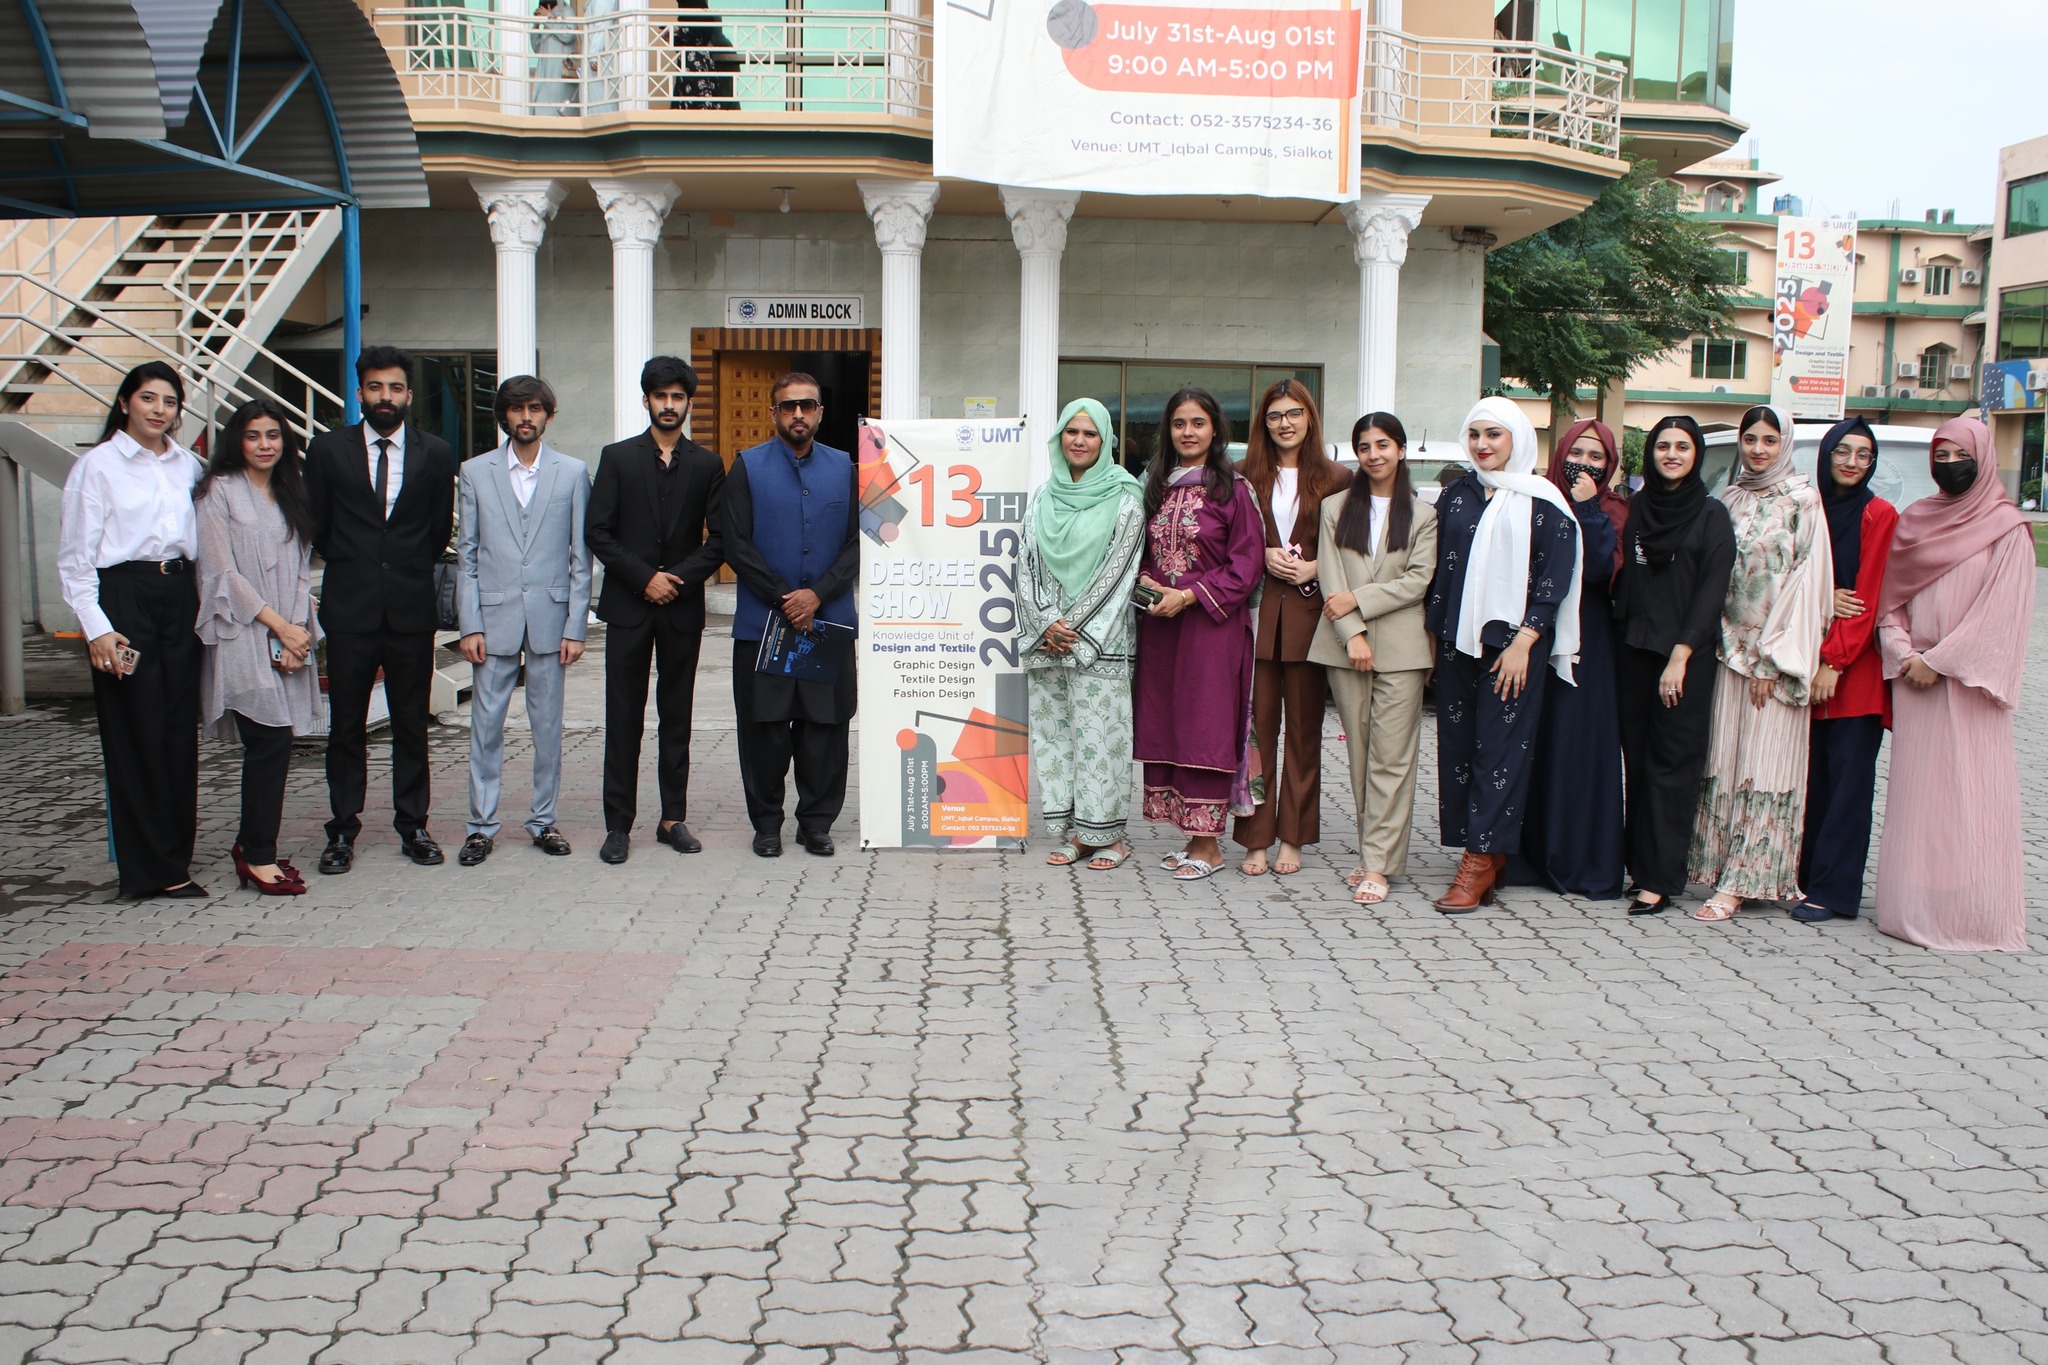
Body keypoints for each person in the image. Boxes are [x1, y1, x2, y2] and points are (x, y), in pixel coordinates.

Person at [1874, 419, 2034, 952]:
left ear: (1982, 459)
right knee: (1921, 798)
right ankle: (1914, 905)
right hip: (1914, 680)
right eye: (1940, 456)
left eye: (1960, 456)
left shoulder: (2007, 529)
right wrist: (1904, 654)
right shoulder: (1916, 521)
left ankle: (1973, 912)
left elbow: (2002, 613)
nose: (1949, 466)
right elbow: (1890, 601)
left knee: (1970, 794)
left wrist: (1940, 662)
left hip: (1968, 685)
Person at [1423, 397, 1583, 913]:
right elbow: (1438, 571)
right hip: (1457, 643)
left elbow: (1555, 577)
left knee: (1499, 752)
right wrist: (1433, 638)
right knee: (1460, 749)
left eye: (1494, 434)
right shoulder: (1457, 495)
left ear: (1517, 437)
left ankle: (1478, 863)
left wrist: (1525, 642)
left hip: (1513, 648)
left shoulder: (1544, 500)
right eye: (1474, 434)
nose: (1482, 444)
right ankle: (1485, 854)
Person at [58, 361, 208, 899]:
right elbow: (75, 560)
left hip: (180, 596)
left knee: (177, 731)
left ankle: (175, 859)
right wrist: (97, 629)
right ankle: (147, 872)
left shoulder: (189, 466)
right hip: (125, 601)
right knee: (134, 731)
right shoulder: (97, 467)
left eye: (169, 401)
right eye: (148, 398)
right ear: (125, 402)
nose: (158, 410)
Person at [305, 345, 457, 874]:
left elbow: (437, 530)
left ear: (409, 395)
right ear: (359, 393)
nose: (385, 396)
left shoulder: (435, 453)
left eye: (394, 388)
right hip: (350, 608)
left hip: (410, 610)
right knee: (346, 724)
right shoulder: (327, 451)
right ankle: (342, 830)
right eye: (375, 387)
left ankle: (413, 826)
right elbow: (320, 527)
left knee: (411, 724)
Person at [1688, 404, 1832, 922]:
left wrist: (1772, 662)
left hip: (1773, 662)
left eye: (1770, 440)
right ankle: (1717, 867)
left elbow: (1808, 585)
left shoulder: (1802, 501)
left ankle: (1747, 879)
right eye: (1750, 439)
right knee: (1724, 763)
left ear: (1785, 444)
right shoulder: (1730, 497)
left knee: (1763, 768)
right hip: (1724, 653)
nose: (1758, 449)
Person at [586, 357, 726, 863]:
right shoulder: (618, 458)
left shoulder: (708, 465)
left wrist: (676, 580)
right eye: (660, 396)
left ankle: (672, 818)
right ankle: (618, 825)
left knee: (676, 716)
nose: (669, 405)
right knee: (623, 716)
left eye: (677, 397)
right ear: (646, 400)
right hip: (629, 605)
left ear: (689, 403)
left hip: (680, 609)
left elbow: (721, 539)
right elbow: (597, 531)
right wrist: (644, 578)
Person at [455, 376, 593, 867]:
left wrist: (576, 626)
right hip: (493, 617)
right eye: (517, 409)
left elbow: (581, 557)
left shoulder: (572, 472)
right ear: (504, 416)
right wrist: (469, 624)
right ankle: (480, 826)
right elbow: (467, 555)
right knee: (485, 726)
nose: (526, 417)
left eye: (535, 408)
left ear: (548, 415)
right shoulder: (474, 472)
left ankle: (543, 820)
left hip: (551, 618)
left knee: (548, 726)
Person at [723, 372, 861, 857]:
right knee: (763, 729)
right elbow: (735, 543)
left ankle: (816, 823)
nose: (797, 414)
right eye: (787, 406)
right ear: (773, 413)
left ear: (821, 412)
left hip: (826, 623)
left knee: (825, 728)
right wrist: (786, 598)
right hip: (764, 626)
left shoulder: (846, 468)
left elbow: (859, 541)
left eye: (807, 405)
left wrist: (817, 595)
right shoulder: (746, 467)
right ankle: (766, 825)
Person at [1132, 387, 1265, 881]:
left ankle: (1209, 846)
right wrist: (1148, 581)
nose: (1188, 432)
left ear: (1215, 430)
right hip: (1163, 629)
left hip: (1212, 627)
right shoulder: (1157, 486)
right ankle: (1191, 837)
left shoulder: (1233, 489)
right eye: (1179, 423)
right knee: (1170, 724)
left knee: (1206, 726)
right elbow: (1144, 552)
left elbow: (1246, 565)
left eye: (1198, 423)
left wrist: (1188, 596)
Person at [194, 399, 325, 896]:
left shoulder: (291, 491)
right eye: (253, 436)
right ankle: (257, 856)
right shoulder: (218, 492)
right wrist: (277, 625)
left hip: (287, 632)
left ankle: (252, 846)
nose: (265, 445)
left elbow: (301, 569)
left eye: (273, 435)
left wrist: (296, 631)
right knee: (268, 741)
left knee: (278, 743)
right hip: (241, 630)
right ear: (237, 441)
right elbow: (220, 573)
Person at [1307, 412, 1437, 906]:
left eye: (1383, 444)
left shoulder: (1423, 515)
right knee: (1361, 755)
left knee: (1392, 759)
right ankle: (1372, 852)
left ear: (1401, 450)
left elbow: (1417, 582)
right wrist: (1353, 634)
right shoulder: (1336, 507)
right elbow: (1331, 577)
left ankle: (1379, 864)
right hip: (1345, 647)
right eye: (1364, 446)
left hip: (1402, 650)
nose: (1374, 454)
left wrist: (1359, 603)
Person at [1610, 416, 1735, 916]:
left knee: (1672, 767)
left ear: (1696, 454)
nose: (1672, 455)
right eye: (1663, 446)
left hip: (1684, 659)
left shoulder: (1712, 516)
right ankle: (1640, 868)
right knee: (1639, 764)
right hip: (1635, 650)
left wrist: (1681, 655)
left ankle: (1660, 879)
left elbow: (1711, 592)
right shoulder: (1639, 507)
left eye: (1683, 446)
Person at [1017, 398, 1146, 871]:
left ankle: (1110, 837)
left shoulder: (1125, 497)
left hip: (1100, 643)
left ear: (1105, 440)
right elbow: (1026, 562)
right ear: (1059, 437)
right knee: (1057, 737)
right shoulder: (1042, 497)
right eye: (1071, 431)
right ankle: (1076, 833)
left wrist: (1073, 629)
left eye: (1090, 433)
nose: (1079, 441)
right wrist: (1044, 621)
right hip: (1049, 640)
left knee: (1100, 739)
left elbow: (1121, 569)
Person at [1233, 381, 1351, 877]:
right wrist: (1261, 554)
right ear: (1264, 423)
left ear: (1310, 418)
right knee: (1257, 734)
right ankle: (1255, 837)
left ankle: (1294, 836)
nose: (1285, 423)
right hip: (1258, 619)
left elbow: (1354, 546)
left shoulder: (1338, 478)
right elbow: (1229, 540)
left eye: (1294, 413)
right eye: (1275, 415)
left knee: (1304, 733)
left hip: (1311, 620)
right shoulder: (1243, 475)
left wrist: (1317, 567)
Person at [1509, 418, 1628, 900]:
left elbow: (1599, 569)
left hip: (1588, 643)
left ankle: (1580, 860)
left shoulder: (1615, 509)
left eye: (1596, 457)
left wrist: (1588, 508)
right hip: (1533, 634)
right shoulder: (1535, 497)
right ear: (1560, 454)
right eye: (1577, 453)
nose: (1585, 463)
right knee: (1534, 741)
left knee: (1578, 745)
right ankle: (1526, 857)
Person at [1794, 417, 1898, 924]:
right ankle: (1804, 876)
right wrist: (1822, 597)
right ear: (1827, 454)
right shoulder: (1809, 509)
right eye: (1843, 451)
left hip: (1851, 673)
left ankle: (1834, 892)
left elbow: (1868, 597)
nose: (1852, 462)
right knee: (1811, 781)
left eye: (1863, 455)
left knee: (1847, 787)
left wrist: (1834, 662)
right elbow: (1792, 577)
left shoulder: (1879, 514)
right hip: (1801, 660)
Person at [670, 0, 739, 109]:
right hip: (694, 73)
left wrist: (678, 33)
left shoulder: (716, 41)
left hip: (698, 74)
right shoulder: (714, 41)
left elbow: (694, 37)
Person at [530, 0, 578, 116]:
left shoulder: (567, 11)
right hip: (544, 76)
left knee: (551, 113)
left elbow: (568, 36)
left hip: (559, 78)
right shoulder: (548, 18)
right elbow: (538, 49)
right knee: (540, 112)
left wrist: (549, 17)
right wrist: (536, 26)